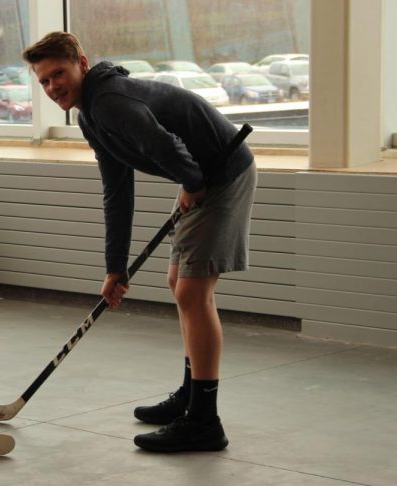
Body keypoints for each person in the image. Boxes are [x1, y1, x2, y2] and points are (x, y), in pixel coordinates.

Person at [22, 32, 256, 453]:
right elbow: (117, 189)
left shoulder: (108, 101)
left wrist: (193, 182)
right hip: (199, 174)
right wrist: (116, 268)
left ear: (82, 64)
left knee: (192, 291)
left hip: (222, 172)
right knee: (178, 284)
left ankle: (204, 421)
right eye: (44, 81)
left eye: (59, 73)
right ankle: (190, 395)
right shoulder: (90, 115)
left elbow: (167, 145)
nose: (53, 86)